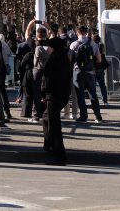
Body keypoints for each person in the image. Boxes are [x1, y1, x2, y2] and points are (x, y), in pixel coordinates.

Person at [41, 34, 72, 165]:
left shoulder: (52, 60)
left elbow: (47, 79)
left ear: (52, 48)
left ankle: (57, 153)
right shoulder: (64, 59)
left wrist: (44, 93)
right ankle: (49, 144)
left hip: (53, 94)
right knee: (47, 118)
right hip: (62, 94)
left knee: (53, 124)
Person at [69, 26, 103, 123]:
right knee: (93, 94)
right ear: (86, 32)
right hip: (90, 72)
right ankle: (98, 116)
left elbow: (70, 59)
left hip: (78, 72)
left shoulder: (74, 44)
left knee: (80, 95)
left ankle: (83, 117)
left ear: (77, 33)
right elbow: (99, 59)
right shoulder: (93, 44)